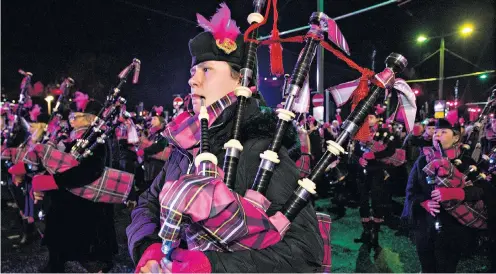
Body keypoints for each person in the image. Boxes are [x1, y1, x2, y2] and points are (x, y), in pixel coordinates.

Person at [127, 3, 323, 273]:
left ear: (240, 81)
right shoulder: (186, 143)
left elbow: (304, 252)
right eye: (193, 71)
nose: (192, 81)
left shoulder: (261, 145)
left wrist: (213, 266)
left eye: (206, 70)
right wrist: (147, 248)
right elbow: (148, 202)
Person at [30, 96, 118, 272]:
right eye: (72, 116)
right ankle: (55, 264)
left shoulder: (96, 139)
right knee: (59, 247)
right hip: (68, 202)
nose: (72, 119)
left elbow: (90, 171)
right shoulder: (75, 137)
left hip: (85, 204)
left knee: (89, 252)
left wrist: (53, 181)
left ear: (92, 118)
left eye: (77, 116)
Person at [402, 118, 487, 273]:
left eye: (443, 132)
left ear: (455, 137)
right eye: (436, 132)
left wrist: (458, 192)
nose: (437, 135)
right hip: (426, 226)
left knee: (446, 267)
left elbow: (481, 190)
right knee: (427, 266)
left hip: (453, 228)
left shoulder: (466, 162)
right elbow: (411, 190)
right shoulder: (423, 161)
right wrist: (423, 203)